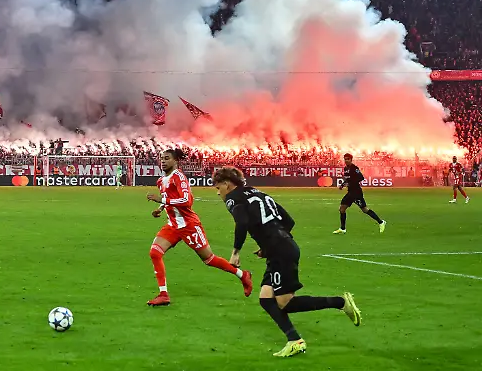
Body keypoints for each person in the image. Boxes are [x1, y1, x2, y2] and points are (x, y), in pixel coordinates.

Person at [212, 166, 361, 357]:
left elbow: (242, 223)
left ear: (227, 184)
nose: (218, 193)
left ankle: (340, 302)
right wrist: (270, 244)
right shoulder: (259, 193)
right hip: (282, 248)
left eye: (218, 188)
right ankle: (294, 340)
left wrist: (236, 252)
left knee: (285, 303)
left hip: (281, 251)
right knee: (266, 299)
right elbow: (289, 221)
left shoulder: (234, 198)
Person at [145, 149, 252, 306]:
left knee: (209, 259)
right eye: (161, 158)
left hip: (188, 225)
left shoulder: (179, 177)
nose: (163, 161)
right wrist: (160, 208)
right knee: (155, 252)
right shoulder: (161, 181)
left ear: (175, 161)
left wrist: (162, 200)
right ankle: (163, 295)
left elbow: (187, 201)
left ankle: (242, 275)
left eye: (167, 158)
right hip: (173, 224)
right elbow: (169, 198)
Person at [335, 153, 385, 234]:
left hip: (356, 192)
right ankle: (342, 228)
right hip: (350, 192)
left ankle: (381, 222)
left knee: (365, 209)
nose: (346, 160)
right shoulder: (345, 169)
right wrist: (342, 184)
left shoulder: (354, 168)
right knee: (342, 208)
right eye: (345, 159)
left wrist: (350, 184)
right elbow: (348, 179)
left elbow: (361, 178)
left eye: (348, 159)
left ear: (351, 160)